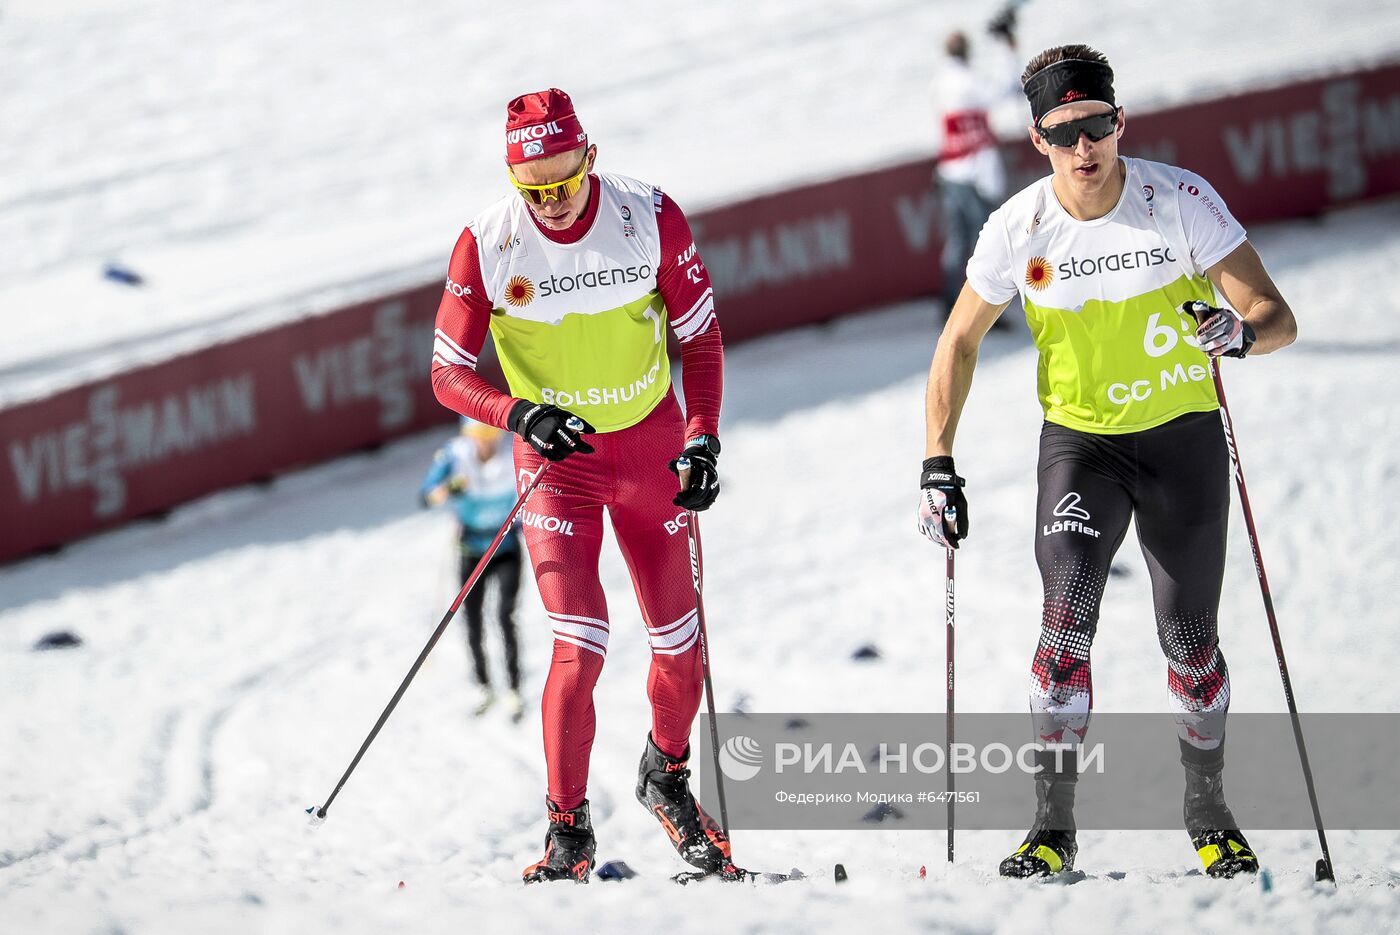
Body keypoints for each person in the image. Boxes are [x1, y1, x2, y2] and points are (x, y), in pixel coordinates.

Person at [917, 44, 1297, 879]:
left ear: (1120, 122)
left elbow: (1275, 314)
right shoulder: (1018, 227)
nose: (1085, 148)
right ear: (1037, 139)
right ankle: (1052, 828)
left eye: (1097, 126)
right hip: (1082, 450)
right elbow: (958, 342)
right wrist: (937, 459)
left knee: (1192, 646)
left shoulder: (1179, 201)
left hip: (1183, 443)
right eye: (1065, 133)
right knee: (1064, 625)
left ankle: (1209, 813)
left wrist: (1239, 333)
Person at [430, 88, 728, 884]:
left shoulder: (649, 215)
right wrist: (518, 413)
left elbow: (700, 339)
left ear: (589, 156)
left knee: (680, 642)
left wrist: (702, 437)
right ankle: (568, 830)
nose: (553, 201)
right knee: (581, 640)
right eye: (535, 188)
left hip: (652, 449)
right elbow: (447, 375)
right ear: (512, 178)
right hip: (558, 466)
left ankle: (666, 774)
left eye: (564, 178)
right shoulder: (487, 243)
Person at [419, 418, 525, 722]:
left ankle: (514, 688)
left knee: (505, 616)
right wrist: (445, 489)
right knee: (473, 619)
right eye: (478, 437)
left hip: (505, 550)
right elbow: (427, 495)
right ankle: (483, 685)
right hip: (470, 551)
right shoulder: (454, 455)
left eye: (489, 436)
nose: (484, 443)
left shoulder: (512, 455)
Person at [930, 21, 1020, 314]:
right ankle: (983, 310)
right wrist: (1008, 47)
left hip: (949, 169)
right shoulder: (968, 82)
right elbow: (1007, 88)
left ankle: (949, 301)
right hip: (973, 173)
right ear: (967, 52)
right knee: (988, 244)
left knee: (958, 240)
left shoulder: (940, 82)